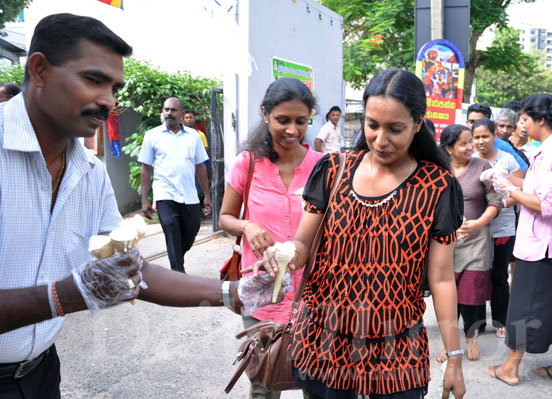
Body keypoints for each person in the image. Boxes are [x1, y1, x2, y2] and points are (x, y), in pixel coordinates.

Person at [0, 13, 283, 399]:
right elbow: (75, 290)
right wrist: (63, 296)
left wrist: (233, 292)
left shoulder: (89, 171)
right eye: (93, 80)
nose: (108, 101)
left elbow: (136, 272)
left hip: (40, 374)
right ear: (39, 70)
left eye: (114, 87)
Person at [249, 68, 466, 399]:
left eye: (395, 129)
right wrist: (286, 257)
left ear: (418, 123)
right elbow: (304, 242)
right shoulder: (334, 170)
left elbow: (441, 279)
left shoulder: (437, 187)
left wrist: (454, 358)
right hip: (324, 343)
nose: (381, 139)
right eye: (372, 125)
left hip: (397, 352)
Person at [219, 77, 324, 399]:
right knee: (264, 384)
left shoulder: (324, 167)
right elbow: (225, 218)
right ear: (265, 115)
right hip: (263, 294)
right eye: (283, 120)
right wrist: (247, 226)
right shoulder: (247, 164)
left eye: (301, 121)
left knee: (317, 383)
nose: (292, 130)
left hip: (315, 295)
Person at [486, 93, 552, 386]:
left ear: (541, 120)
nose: (522, 125)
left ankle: (510, 368)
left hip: (548, 247)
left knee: (523, 306)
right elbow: (537, 186)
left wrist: (508, 190)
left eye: (525, 119)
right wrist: (507, 179)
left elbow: (546, 206)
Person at [438, 124, 501, 361]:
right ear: (448, 148)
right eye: (463, 143)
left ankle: (471, 337)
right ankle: (450, 342)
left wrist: (479, 222)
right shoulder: (439, 168)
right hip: (445, 241)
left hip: (476, 239)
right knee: (447, 294)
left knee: (471, 295)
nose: (470, 147)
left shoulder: (483, 167)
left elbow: (495, 201)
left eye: (470, 142)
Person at [139, 97, 212, 273]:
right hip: (164, 193)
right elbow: (146, 168)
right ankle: (178, 274)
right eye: (166, 110)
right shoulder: (152, 136)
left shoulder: (193, 136)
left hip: (189, 194)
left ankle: (177, 258)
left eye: (173, 110)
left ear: (181, 113)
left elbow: (200, 166)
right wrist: (144, 200)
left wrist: (207, 195)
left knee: (192, 228)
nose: (169, 113)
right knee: (171, 227)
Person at [472, 118, 522, 339]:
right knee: (476, 275)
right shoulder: (469, 160)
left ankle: (501, 320)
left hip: (502, 229)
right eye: (476, 137)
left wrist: (499, 204)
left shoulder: (508, 159)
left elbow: (520, 191)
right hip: (476, 229)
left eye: (485, 136)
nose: (481, 141)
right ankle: (476, 322)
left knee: (499, 275)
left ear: (494, 137)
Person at [466, 103, 528, 173]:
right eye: (472, 121)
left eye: (481, 122)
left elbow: (525, 171)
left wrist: (502, 179)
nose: (476, 125)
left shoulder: (503, 146)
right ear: (467, 122)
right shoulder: (459, 144)